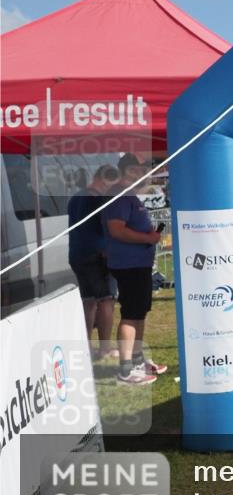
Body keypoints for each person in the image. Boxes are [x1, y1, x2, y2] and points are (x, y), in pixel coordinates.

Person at [101, 154, 167, 386]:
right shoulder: (119, 196)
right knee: (131, 314)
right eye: (134, 170)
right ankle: (126, 370)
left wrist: (149, 237)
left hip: (139, 264)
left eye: (141, 170)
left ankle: (137, 360)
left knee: (139, 312)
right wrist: (147, 237)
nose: (140, 174)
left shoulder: (129, 195)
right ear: (123, 171)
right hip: (127, 264)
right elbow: (117, 230)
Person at [68, 165, 120, 360]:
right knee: (106, 300)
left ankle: (86, 346)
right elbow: (107, 227)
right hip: (98, 256)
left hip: (77, 255)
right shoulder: (98, 200)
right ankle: (105, 347)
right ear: (103, 180)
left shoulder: (75, 198)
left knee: (88, 302)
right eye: (111, 185)